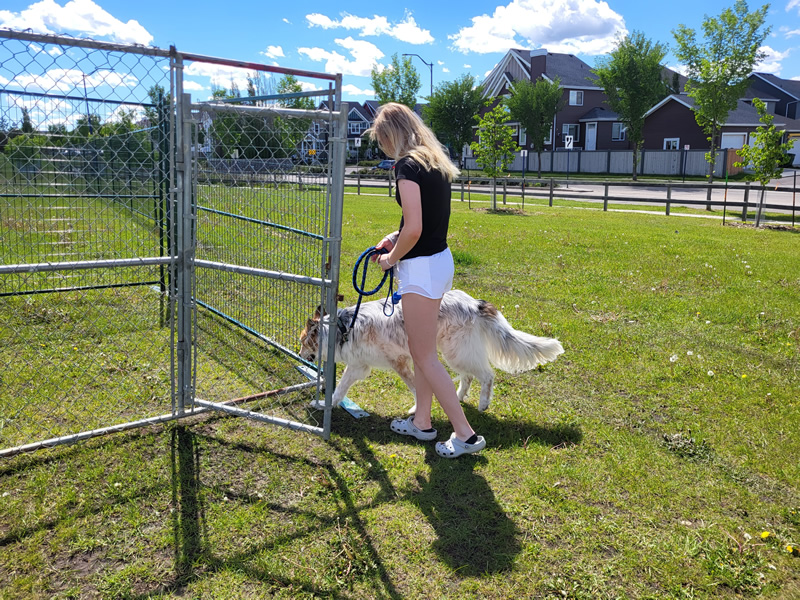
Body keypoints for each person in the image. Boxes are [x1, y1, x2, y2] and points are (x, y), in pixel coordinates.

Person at [367, 102, 486, 458]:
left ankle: (465, 435)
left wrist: (390, 258)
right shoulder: (433, 161)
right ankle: (422, 422)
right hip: (438, 261)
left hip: (420, 268)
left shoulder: (406, 166)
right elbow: (421, 222)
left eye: (383, 141)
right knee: (422, 352)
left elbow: (415, 227)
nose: (384, 149)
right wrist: (394, 236)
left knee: (424, 354)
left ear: (392, 135)